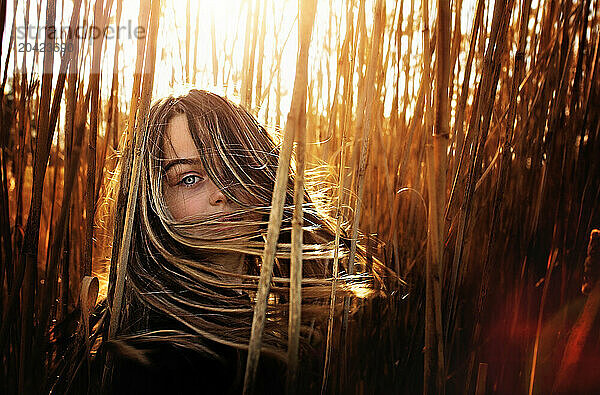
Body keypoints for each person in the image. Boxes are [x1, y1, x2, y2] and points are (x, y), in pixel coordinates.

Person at [55, 89, 394, 394]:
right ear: (150, 204)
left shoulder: (263, 333)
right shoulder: (157, 358)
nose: (221, 193)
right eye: (189, 178)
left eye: (234, 169)